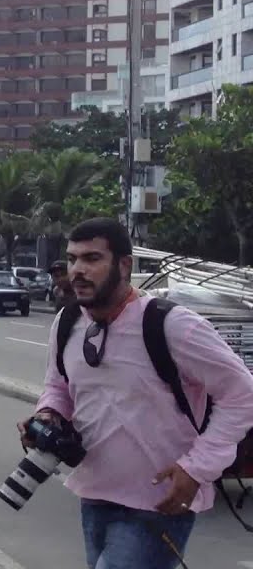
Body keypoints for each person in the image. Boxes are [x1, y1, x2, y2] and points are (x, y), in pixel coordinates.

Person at [24, 218, 253, 569]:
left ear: (125, 264)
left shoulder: (173, 325)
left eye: (92, 259)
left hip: (159, 503)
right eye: (72, 259)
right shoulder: (68, 322)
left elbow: (242, 393)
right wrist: (47, 416)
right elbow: (58, 386)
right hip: (95, 493)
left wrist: (197, 468)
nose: (78, 271)